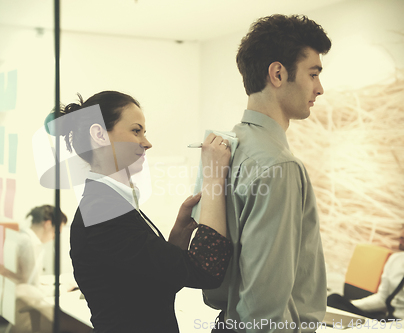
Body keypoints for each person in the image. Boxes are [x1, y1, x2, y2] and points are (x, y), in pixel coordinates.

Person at [45, 90, 233, 333]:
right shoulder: (104, 213)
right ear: (99, 134)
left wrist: (180, 231)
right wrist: (214, 176)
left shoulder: (109, 206)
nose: (147, 142)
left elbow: (157, 279)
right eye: (136, 130)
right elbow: (206, 271)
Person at [202, 15, 331, 332]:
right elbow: (264, 306)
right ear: (278, 73)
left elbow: (211, 275)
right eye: (313, 74)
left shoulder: (222, 149)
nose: (320, 88)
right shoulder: (279, 166)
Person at [327, 228, 404, 320]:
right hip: (387, 319)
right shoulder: (395, 260)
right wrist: (349, 305)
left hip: (399, 324)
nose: (401, 235)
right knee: (334, 300)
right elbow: (382, 299)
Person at [15, 205, 68, 286]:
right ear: (48, 224)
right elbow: (32, 286)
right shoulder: (28, 243)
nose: (54, 238)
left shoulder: (23, 238)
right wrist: (63, 289)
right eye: (57, 233)